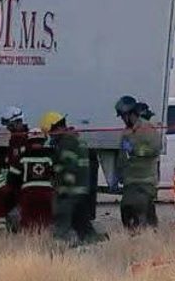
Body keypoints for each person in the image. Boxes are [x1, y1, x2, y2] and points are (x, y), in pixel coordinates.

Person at [40, 111, 102, 245]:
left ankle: (58, 245)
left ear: (56, 128)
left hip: (70, 190)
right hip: (81, 188)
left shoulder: (67, 141)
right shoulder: (74, 138)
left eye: (50, 132)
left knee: (62, 218)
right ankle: (96, 241)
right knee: (81, 223)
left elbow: (69, 166)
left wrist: (62, 189)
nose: (50, 136)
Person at [114, 96, 162, 230]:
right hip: (130, 181)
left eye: (123, 116)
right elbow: (122, 156)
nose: (123, 119)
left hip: (145, 181)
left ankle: (148, 240)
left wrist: (135, 150)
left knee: (140, 212)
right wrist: (119, 174)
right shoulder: (126, 132)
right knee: (127, 211)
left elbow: (155, 148)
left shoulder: (147, 128)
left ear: (131, 114)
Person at [9, 128, 55, 231]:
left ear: (29, 141)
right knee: (45, 221)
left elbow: (12, 179)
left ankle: (29, 243)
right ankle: (43, 242)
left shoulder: (21, 157)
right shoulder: (49, 156)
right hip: (46, 194)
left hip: (28, 194)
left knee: (27, 222)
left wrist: (15, 194)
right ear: (43, 141)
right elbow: (55, 174)